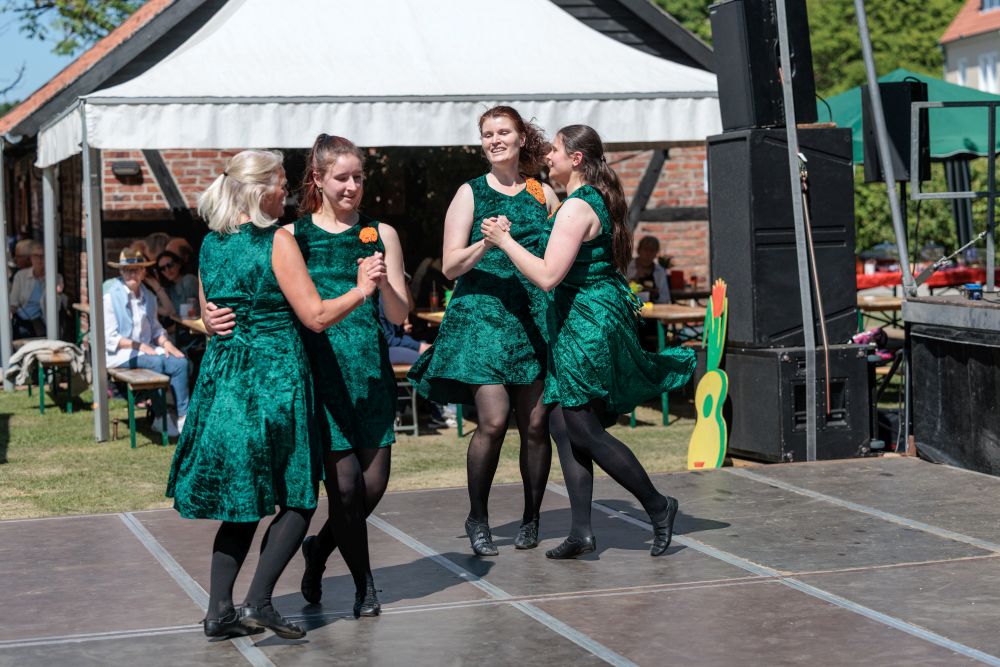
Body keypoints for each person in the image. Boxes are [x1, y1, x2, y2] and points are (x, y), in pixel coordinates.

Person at [166, 150, 386, 641]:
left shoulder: (211, 243)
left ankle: (219, 611)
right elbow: (316, 317)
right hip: (274, 384)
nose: (286, 192)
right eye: (281, 183)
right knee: (298, 498)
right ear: (259, 189)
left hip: (224, 384)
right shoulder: (278, 241)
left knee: (241, 502)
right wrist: (360, 290)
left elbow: (209, 313)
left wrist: (208, 321)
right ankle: (260, 602)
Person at [206, 135, 408, 616]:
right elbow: (253, 296)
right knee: (344, 489)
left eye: (358, 177)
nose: (352, 187)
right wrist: (210, 318)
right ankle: (364, 586)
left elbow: (399, 315)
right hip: (318, 374)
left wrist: (381, 284)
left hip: (368, 373)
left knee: (372, 487)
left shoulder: (382, 233)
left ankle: (318, 550)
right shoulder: (291, 235)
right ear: (318, 179)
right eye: (342, 178)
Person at [481, 124, 695, 559]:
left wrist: (503, 242)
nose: (548, 157)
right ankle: (581, 531)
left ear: (576, 159)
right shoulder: (584, 201)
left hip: (586, 323)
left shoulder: (577, 208)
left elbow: (546, 276)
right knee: (562, 426)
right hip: (578, 319)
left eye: (555, 151)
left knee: (582, 427)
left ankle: (658, 505)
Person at [408, 105, 559, 556]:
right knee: (493, 421)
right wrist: (487, 242)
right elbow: (450, 265)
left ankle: (532, 517)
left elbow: (560, 253)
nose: (495, 140)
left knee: (536, 424)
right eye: (487, 134)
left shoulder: (542, 192)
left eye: (503, 132)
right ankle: (478, 517)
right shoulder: (470, 192)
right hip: (481, 321)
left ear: (521, 138)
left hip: (530, 321)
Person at [103, 243, 190, 436]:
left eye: (136, 270)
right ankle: (160, 416)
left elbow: (156, 329)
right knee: (157, 362)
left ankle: (184, 417)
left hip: (147, 350)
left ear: (143, 272)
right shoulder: (110, 297)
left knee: (181, 362)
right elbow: (110, 338)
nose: (131, 274)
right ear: (121, 272)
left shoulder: (148, 296)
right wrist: (140, 346)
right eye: (126, 270)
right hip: (120, 354)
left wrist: (167, 343)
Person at [10, 241, 64, 338]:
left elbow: (56, 306)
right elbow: (13, 303)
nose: (39, 259)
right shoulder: (20, 276)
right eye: (36, 256)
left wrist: (58, 293)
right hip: (23, 320)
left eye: (43, 256)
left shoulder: (55, 278)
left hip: (43, 322)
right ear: (31, 258)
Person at [148, 250, 199, 319]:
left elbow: (188, 312)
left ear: (179, 264)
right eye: (162, 268)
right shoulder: (169, 288)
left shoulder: (189, 280)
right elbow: (166, 310)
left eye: (169, 265)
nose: (167, 270)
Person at [627, 236, 671, 304]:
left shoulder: (660, 271)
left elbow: (665, 298)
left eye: (652, 250)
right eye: (645, 249)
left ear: (656, 253)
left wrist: (656, 295)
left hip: (654, 308)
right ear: (638, 250)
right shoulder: (627, 268)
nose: (648, 253)